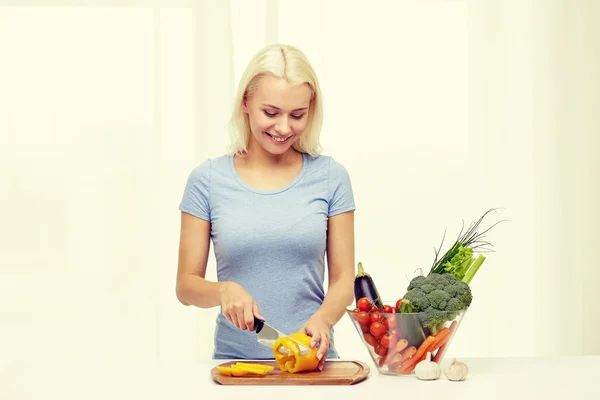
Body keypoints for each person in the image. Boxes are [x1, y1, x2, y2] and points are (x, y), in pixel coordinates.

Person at [175, 43, 356, 370]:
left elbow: (344, 280)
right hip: (236, 366)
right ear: (246, 102)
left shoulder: (331, 177)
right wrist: (224, 290)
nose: (284, 127)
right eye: (271, 113)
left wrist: (323, 320)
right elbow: (186, 286)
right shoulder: (207, 180)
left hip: (314, 362)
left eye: (297, 115)